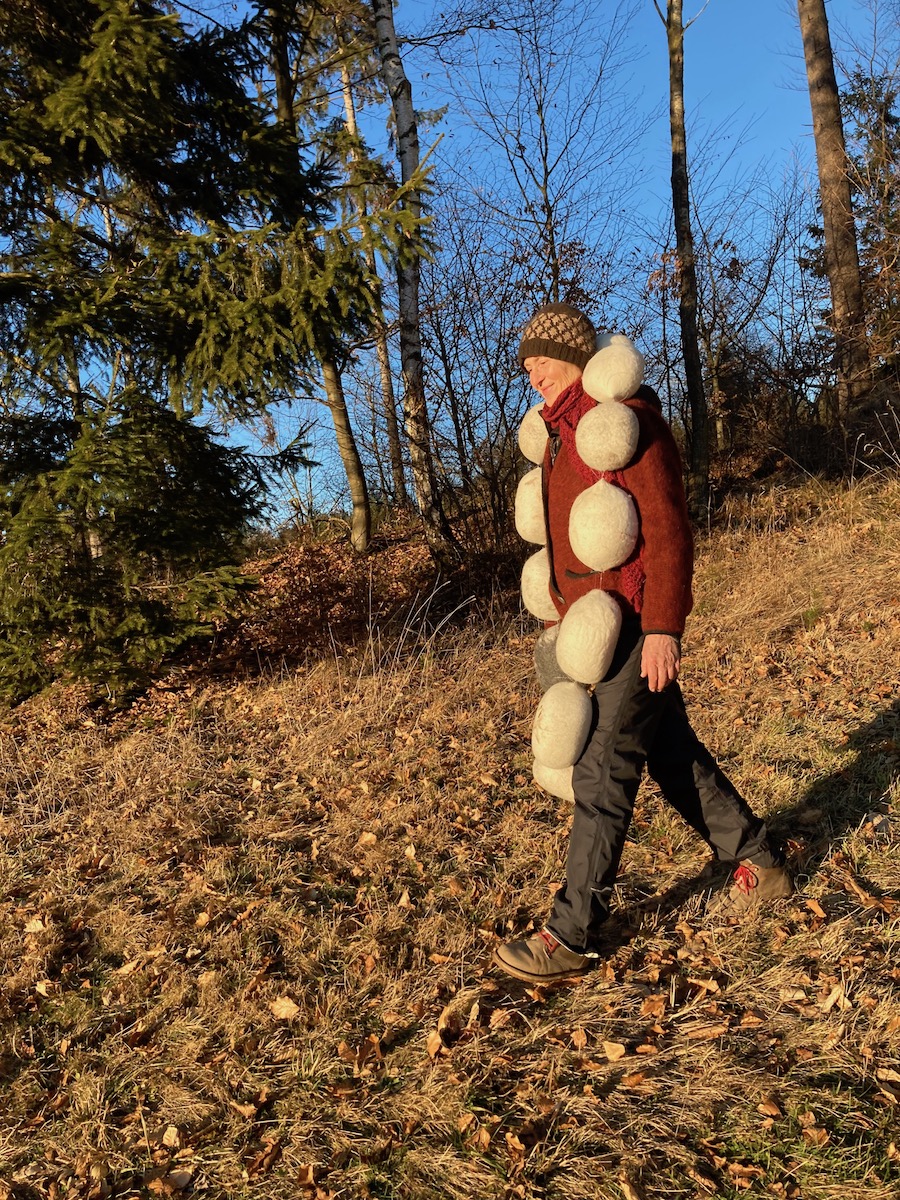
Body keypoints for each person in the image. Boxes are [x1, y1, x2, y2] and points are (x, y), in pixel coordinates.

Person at [492, 303, 792, 984]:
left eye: (542, 359)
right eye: (527, 365)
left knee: (605, 770)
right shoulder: (558, 438)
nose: (533, 373)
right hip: (591, 633)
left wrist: (663, 628)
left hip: (632, 625)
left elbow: (668, 531)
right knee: (672, 754)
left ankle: (572, 934)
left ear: (576, 356)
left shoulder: (629, 422)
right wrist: (560, 618)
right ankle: (760, 862)